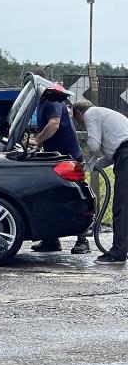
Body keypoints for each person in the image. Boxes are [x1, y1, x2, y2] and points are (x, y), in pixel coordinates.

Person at [30, 84, 91, 254]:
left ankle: (82, 240)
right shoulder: (42, 102)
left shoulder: (52, 100)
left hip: (69, 157)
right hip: (54, 157)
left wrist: (37, 140)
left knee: (77, 197)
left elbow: (54, 124)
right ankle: (51, 239)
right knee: (50, 195)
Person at [72, 100, 128, 264]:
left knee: (122, 207)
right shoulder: (105, 114)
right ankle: (120, 249)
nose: (79, 123)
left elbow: (93, 144)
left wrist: (87, 162)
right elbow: (110, 157)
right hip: (122, 155)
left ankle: (118, 253)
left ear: (78, 114)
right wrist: (90, 166)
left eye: (77, 120)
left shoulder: (91, 114)